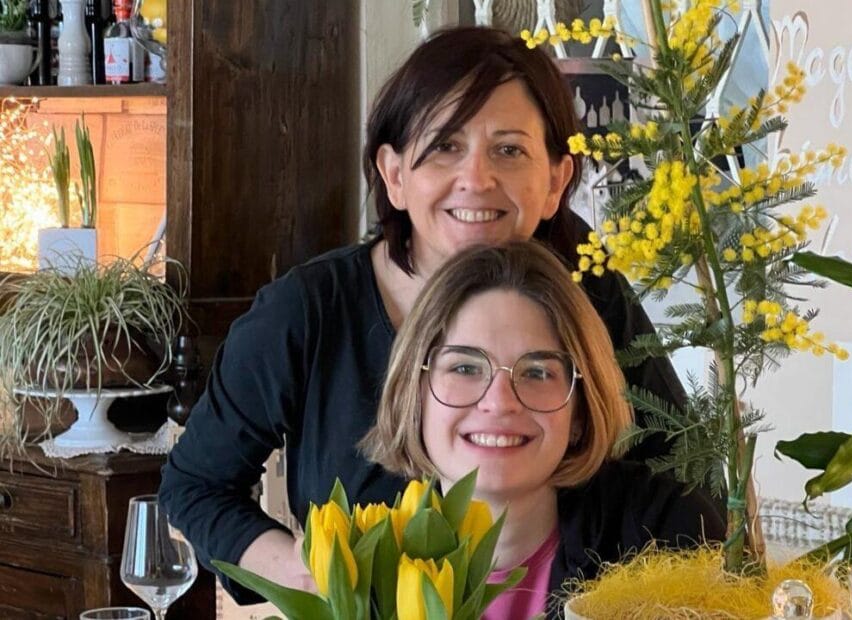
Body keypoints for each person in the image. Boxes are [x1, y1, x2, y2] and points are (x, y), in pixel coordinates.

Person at [159, 26, 695, 602]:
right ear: (394, 175)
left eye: (509, 150)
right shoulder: (307, 312)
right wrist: (318, 580)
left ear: (555, 182)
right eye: (444, 146)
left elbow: (680, 471)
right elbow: (195, 486)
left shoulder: (591, 297)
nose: (477, 179)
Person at [361, 241, 725, 620]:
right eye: (465, 368)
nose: (499, 401)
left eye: (537, 372)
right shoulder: (367, 562)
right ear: (414, 394)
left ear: (580, 409)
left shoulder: (668, 531)